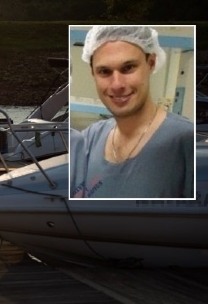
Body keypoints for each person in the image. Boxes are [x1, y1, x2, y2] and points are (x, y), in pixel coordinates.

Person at [70, 25, 194, 199]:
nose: (117, 84)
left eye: (128, 68)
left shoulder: (187, 142)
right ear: (93, 74)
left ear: (151, 63)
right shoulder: (91, 139)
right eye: (104, 71)